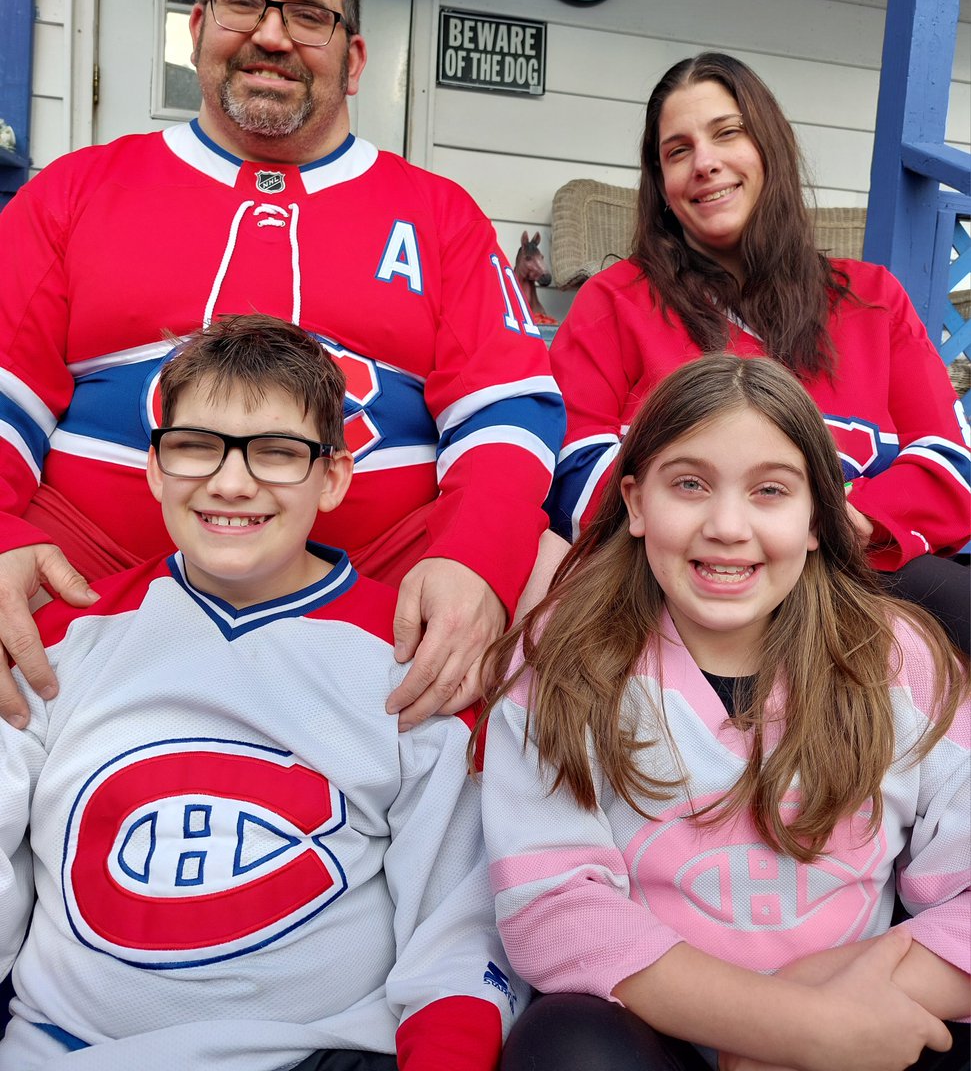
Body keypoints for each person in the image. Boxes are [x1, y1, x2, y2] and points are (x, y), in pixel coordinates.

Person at [0, 0, 564, 731]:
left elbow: (507, 410)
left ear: (354, 56)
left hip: (382, 581)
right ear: (196, 27)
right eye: (241, 3)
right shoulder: (77, 190)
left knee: (560, 583)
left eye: (308, 14)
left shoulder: (438, 213)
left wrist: (474, 559)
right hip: (99, 572)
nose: (271, 35)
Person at [0, 313, 523, 1070]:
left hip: (318, 1054)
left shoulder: (410, 657)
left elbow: (456, 924)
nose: (231, 481)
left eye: (277, 453)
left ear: (334, 476)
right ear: (153, 467)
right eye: (194, 448)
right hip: (66, 1049)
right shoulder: (60, 640)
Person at [480, 354, 970, 1071]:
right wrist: (783, 1025)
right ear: (637, 503)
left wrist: (829, 1010)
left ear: (816, 519)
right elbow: (555, 910)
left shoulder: (897, 658)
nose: (727, 526)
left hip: (863, 1016)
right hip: (654, 1034)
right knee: (565, 1050)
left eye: (770, 491)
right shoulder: (564, 658)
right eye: (688, 485)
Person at [547, 52, 970, 651]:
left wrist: (841, 520)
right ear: (662, 189)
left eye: (727, 134)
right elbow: (573, 467)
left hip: (858, 575)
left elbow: (952, 464)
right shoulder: (614, 302)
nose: (706, 163)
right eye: (677, 151)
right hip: (683, 595)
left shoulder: (873, 298)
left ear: (770, 148)